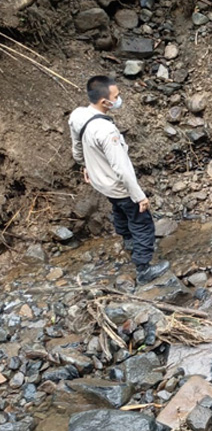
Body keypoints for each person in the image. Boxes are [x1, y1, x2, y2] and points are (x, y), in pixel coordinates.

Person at [69, 76, 169, 284]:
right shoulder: (107, 131)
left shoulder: (78, 116)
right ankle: (143, 269)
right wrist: (139, 196)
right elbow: (122, 169)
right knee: (143, 224)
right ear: (105, 102)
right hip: (117, 184)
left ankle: (128, 241)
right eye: (116, 96)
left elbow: (77, 144)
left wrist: (84, 165)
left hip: (100, 181)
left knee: (118, 209)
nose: (119, 99)